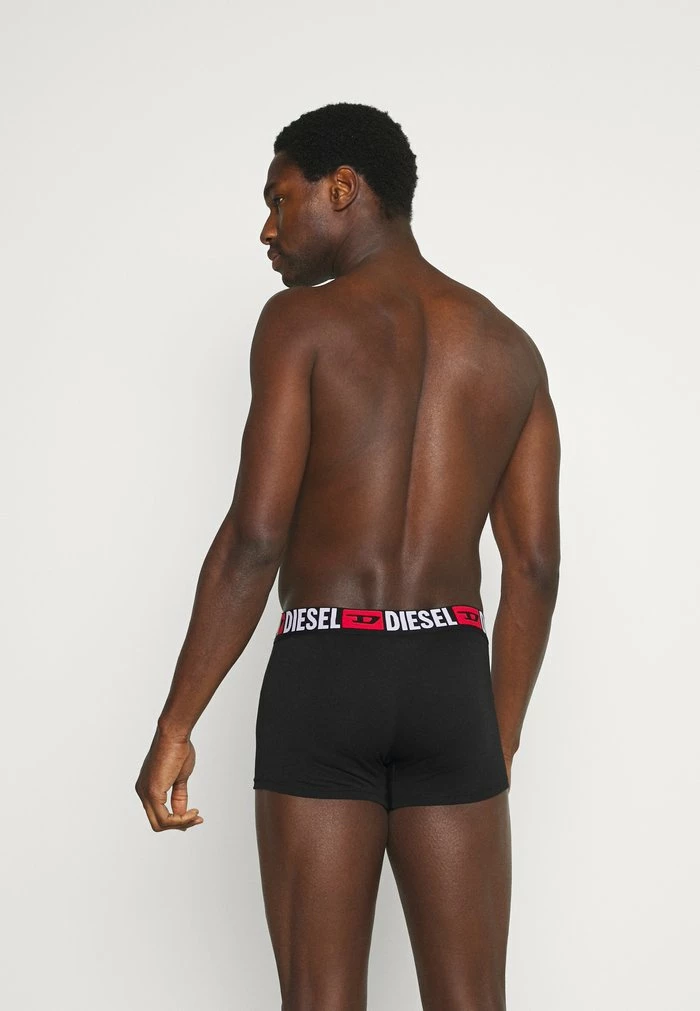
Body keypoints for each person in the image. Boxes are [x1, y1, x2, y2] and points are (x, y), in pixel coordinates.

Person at [135, 102, 561, 1011]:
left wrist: (176, 724)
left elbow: (256, 537)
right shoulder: (510, 349)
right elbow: (533, 568)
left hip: (327, 670)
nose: (268, 228)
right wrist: (495, 736)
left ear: (342, 188)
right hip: (451, 673)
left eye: (278, 199)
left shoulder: (299, 325)